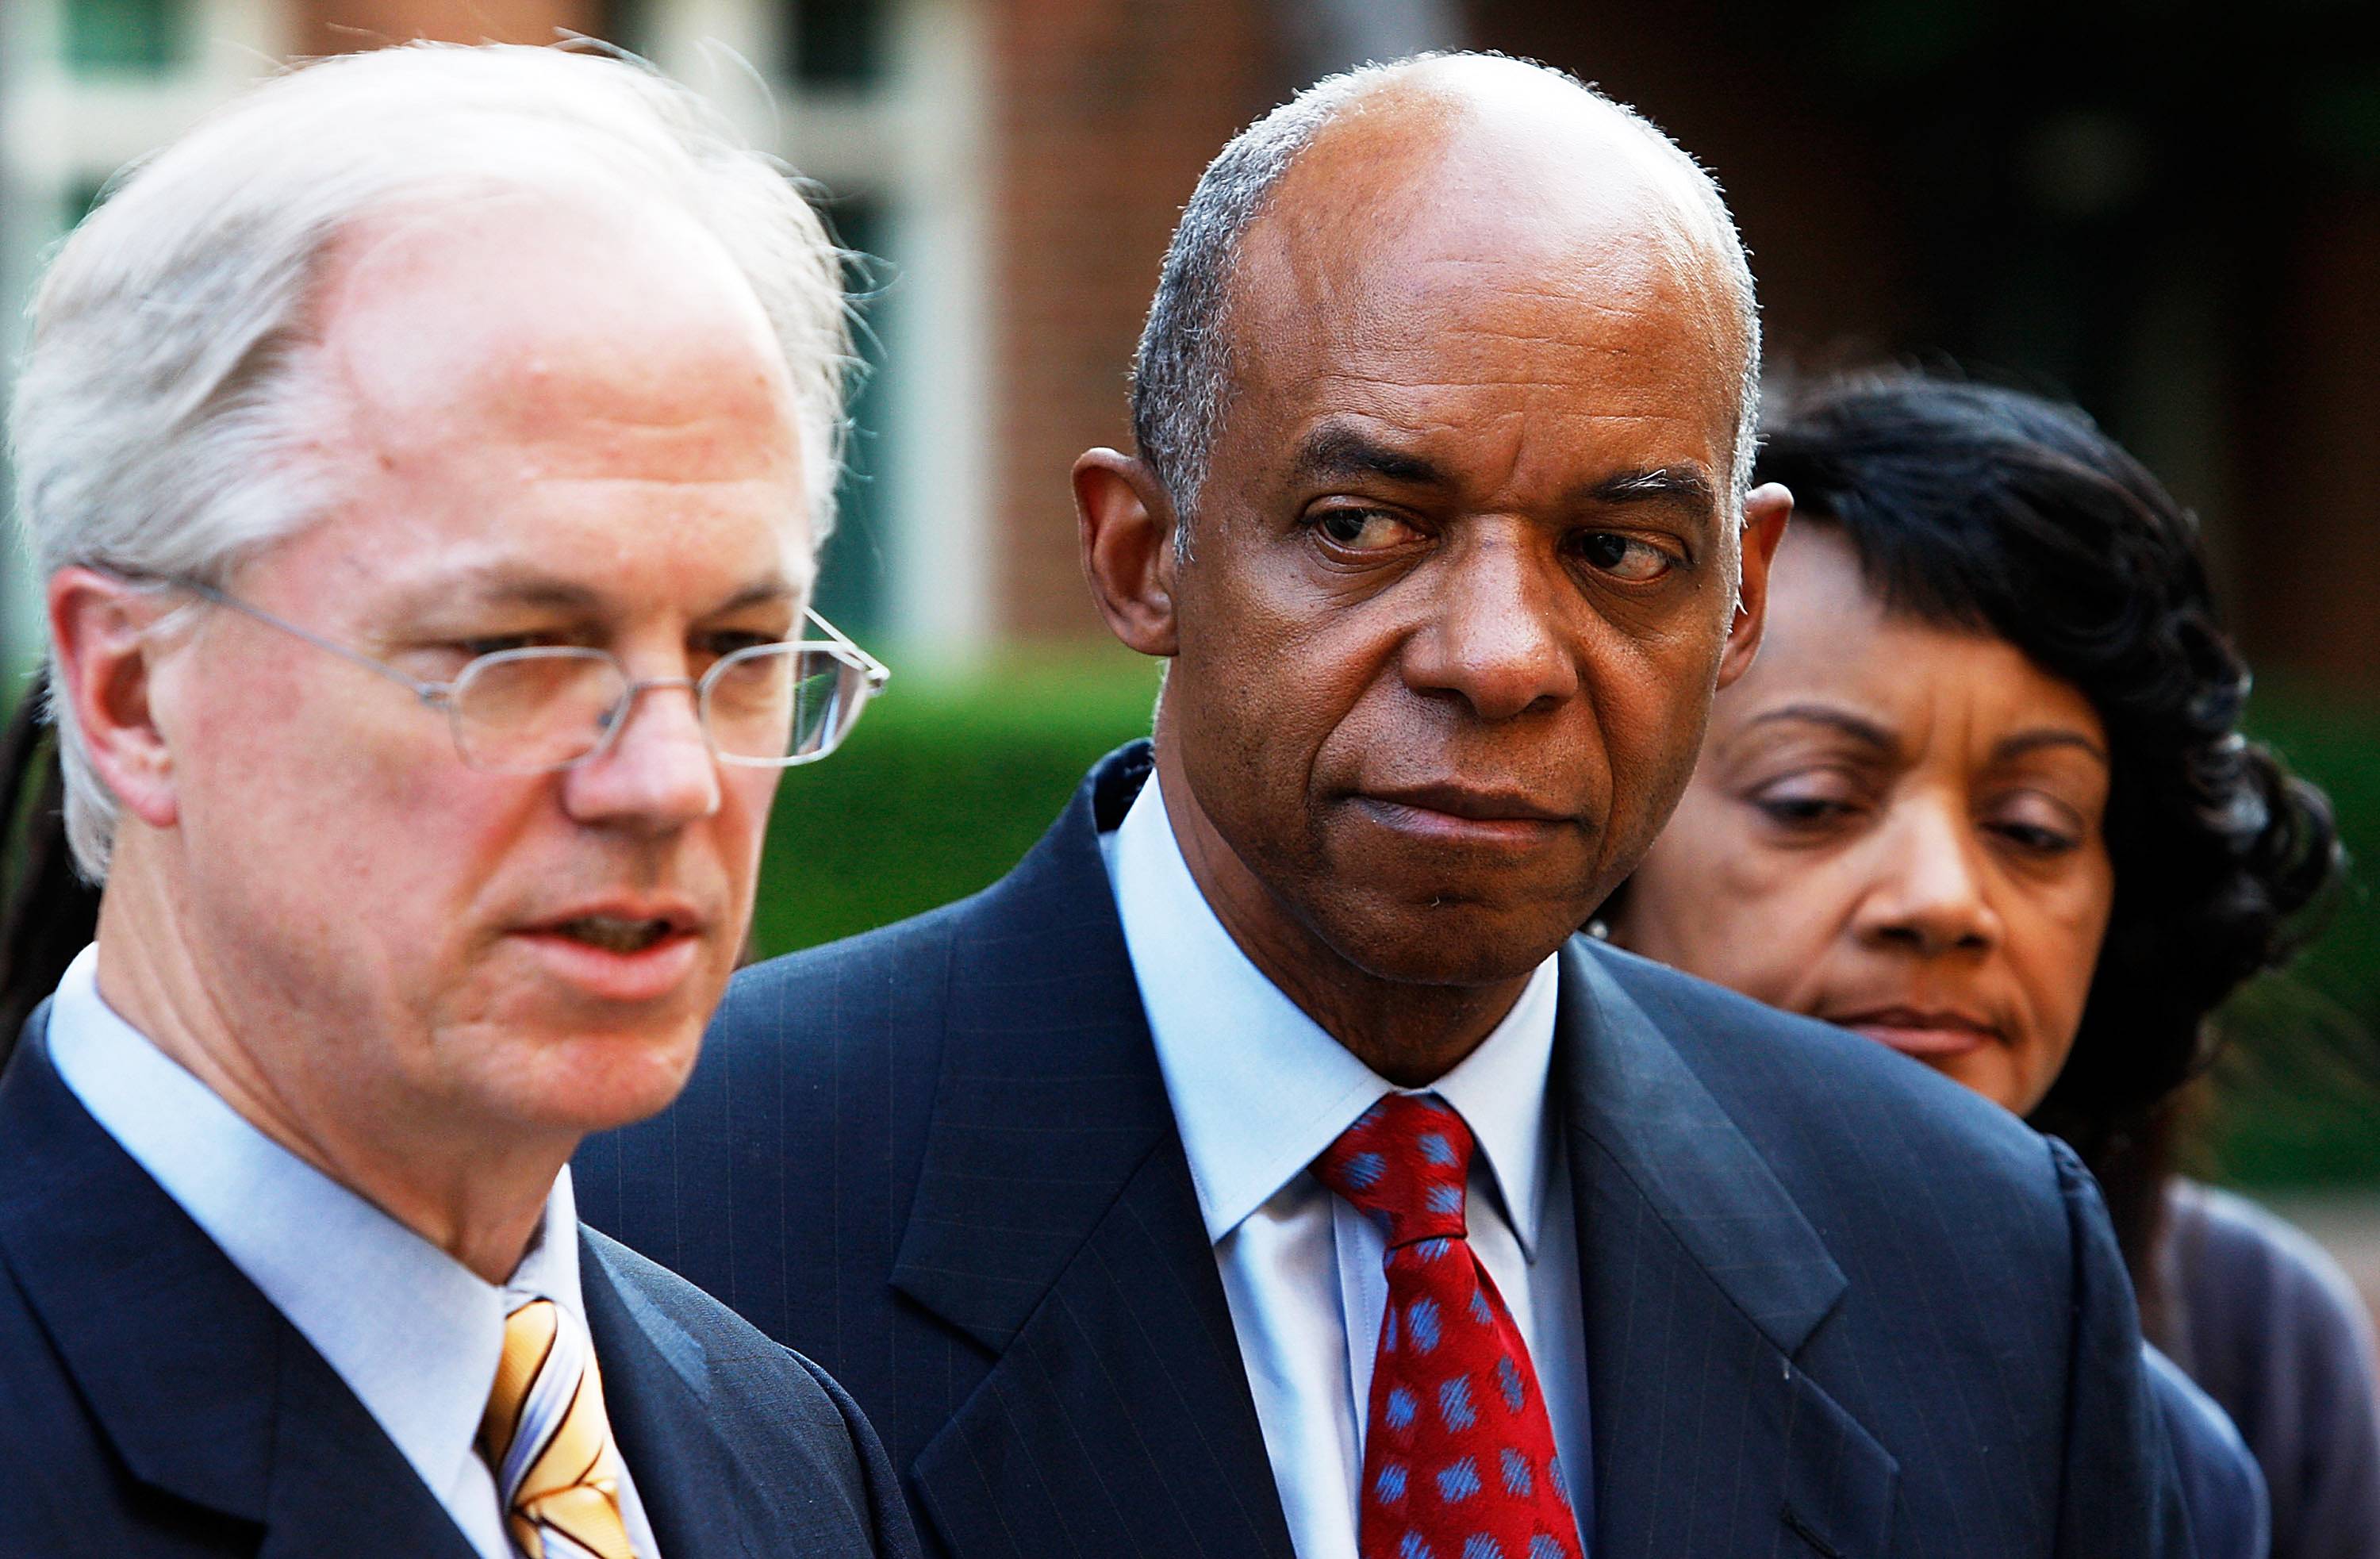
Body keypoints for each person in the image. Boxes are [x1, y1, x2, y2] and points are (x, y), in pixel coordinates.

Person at [578, 55, 2194, 1558]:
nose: (1500, 656)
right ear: (1142, 555)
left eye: (1618, 552)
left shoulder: (1983, 1263)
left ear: (1741, 600)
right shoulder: (664, 1206)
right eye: (1363, 525)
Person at [0, 43, 916, 1558]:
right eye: (518, 651)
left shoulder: (786, 1447)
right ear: (131, 691)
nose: (670, 777)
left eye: (739, 650)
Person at [1603, 371, 2379, 1559]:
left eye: (2033, 828)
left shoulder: (2257, 1341)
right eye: (1814, 801)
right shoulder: (1477, 1279)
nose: (1942, 901)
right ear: (1619, 846)